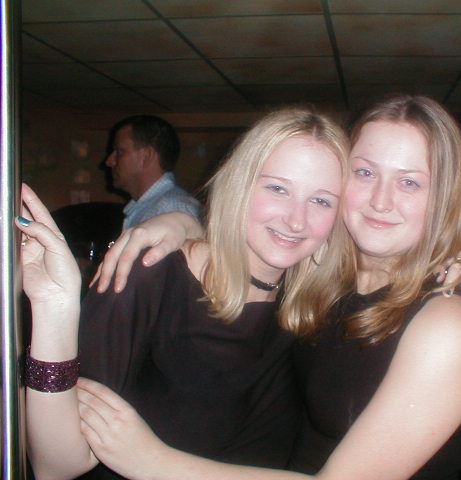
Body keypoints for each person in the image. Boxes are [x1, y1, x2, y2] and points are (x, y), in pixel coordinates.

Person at [70, 95, 461, 480]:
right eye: (365, 173)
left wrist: (153, 462)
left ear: (444, 196)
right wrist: (182, 221)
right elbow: (254, 230)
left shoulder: (448, 322)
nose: (381, 200)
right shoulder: (322, 281)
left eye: (410, 182)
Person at [19, 107, 351, 480]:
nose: (296, 220)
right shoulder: (150, 275)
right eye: (278, 188)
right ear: (239, 184)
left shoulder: (318, 305)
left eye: (321, 200)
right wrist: (53, 308)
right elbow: (57, 465)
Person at [105, 115, 201, 230]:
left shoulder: (172, 209)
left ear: (146, 156)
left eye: (120, 152)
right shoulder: (158, 208)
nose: (109, 161)